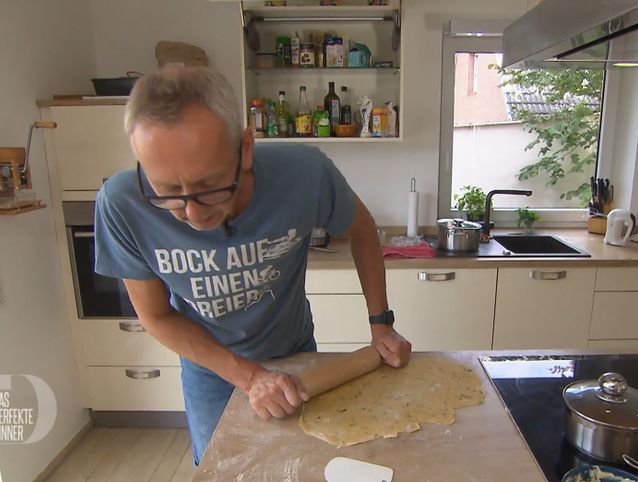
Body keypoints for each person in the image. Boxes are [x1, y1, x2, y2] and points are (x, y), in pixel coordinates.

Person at [93, 66, 411, 465]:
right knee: (224, 469)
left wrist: (381, 322)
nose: (190, 212)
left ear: (245, 148)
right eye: (167, 191)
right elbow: (156, 316)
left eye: (208, 186)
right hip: (209, 369)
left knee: (301, 463)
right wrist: (250, 377)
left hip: (296, 356)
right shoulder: (121, 203)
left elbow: (362, 231)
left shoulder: (305, 174)